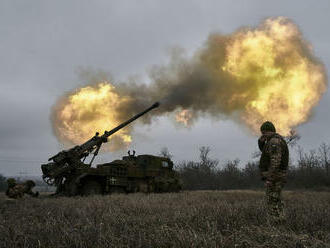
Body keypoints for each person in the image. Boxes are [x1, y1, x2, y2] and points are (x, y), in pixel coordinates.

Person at [258, 121, 289, 221]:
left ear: (268, 131)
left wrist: (270, 179)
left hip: (276, 177)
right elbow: (266, 153)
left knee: (272, 200)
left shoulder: (274, 142)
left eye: (263, 133)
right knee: (276, 199)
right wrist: (261, 142)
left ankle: (276, 223)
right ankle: (281, 220)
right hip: (276, 176)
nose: (263, 135)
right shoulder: (272, 141)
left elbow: (275, 162)